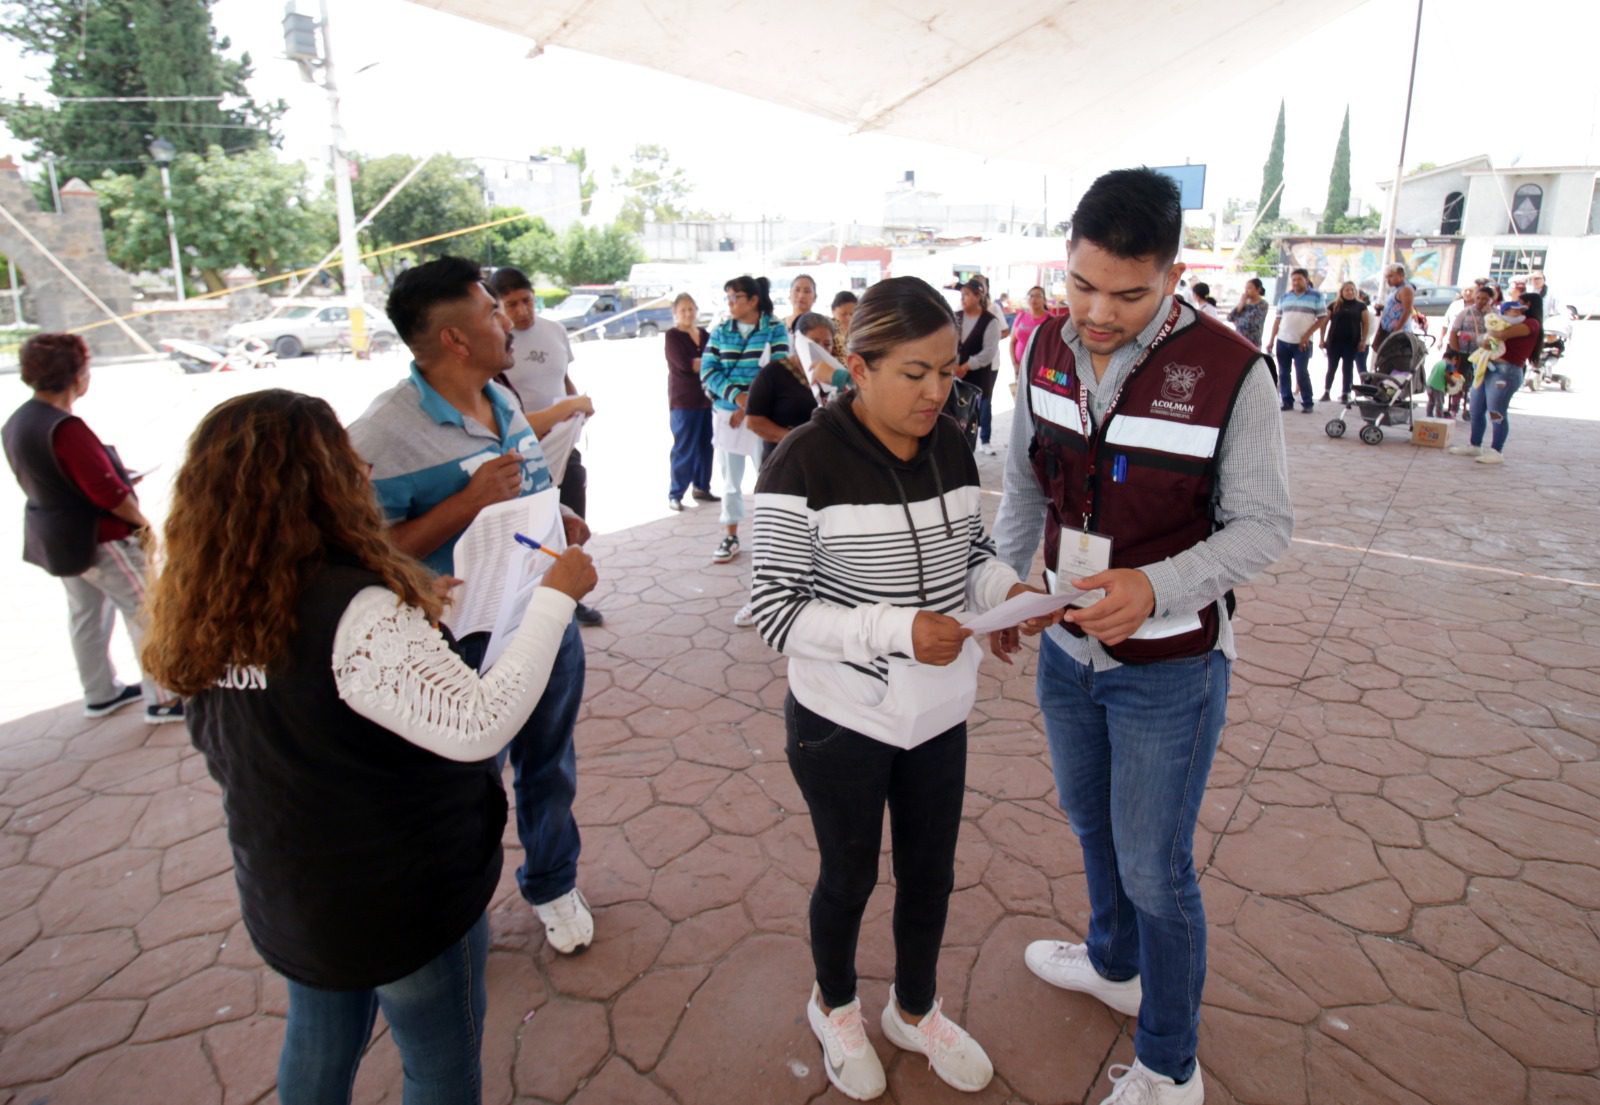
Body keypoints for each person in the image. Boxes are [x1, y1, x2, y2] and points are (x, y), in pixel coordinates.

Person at [142, 388, 597, 1105]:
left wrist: (420, 613)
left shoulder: (208, 605)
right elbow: (482, 721)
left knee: (321, 1035)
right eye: (344, 457)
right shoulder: (352, 608)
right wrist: (556, 595)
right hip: (396, 894)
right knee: (438, 1062)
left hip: (288, 886)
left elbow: (307, 701)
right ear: (318, 479)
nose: (361, 464)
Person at [992, 167, 1293, 1105]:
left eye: (1129, 293)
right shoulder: (1040, 345)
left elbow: (1264, 526)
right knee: (1090, 822)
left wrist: (1154, 585)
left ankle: (1170, 1061)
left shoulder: (1233, 371)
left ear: (1171, 274)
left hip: (1171, 666)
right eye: (1082, 284)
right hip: (1064, 652)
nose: (1098, 311)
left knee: (1157, 868)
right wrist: (1012, 581)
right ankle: (1111, 961)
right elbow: (1024, 485)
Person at [752, 276, 1032, 1100]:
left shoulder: (949, 442)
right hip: (841, 717)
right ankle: (834, 1002)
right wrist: (896, 628)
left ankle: (915, 1008)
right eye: (915, 372)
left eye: (948, 371)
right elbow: (773, 610)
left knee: (932, 871)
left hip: (939, 712)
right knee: (848, 874)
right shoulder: (799, 460)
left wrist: (1004, 590)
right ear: (858, 363)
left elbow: (970, 551)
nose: (937, 392)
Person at [347, 256, 596, 957]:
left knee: (550, 761)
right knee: (462, 783)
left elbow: (533, 488)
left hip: (541, 619)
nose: (508, 320)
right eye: (492, 311)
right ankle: (459, 900)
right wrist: (464, 503)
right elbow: (364, 554)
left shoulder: (505, 397)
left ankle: (552, 880)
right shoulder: (380, 437)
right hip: (455, 642)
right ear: (454, 338)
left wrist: (561, 523)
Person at [1, 333, 183, 725]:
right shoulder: (65, 428)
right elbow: (105, 491)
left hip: (56, 537)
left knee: (86, 615)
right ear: (77, 374)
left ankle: (100, 692)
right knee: (147, 610)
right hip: (97, 536)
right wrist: (141, 521)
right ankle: (165, 698)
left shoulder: (19, 421)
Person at [486, 266, 603, 627]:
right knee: (532, 530)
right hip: (522, 455)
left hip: (564, 448)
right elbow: (514, 422)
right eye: (511, 305)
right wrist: (568, 406)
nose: (521, 311)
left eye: (527, 301)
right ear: (497, 309)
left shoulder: (554, 331)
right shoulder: (496, 345)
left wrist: (576, 404)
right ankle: (535, 604)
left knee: (571, 522)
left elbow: (563, 377)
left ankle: (571, 597)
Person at [701, 274, 790, 565]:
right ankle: (730, 535)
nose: (730, 304)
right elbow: (709, 371)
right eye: (727, 298)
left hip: (762, 417)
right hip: (729, 417)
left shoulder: (775, 329)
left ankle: (773, 539)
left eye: (735, 298)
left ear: (753, 300)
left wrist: (750, 404)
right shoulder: (720, 331)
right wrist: (737, 398)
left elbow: (778, 370)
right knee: (730, 481)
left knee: (768, 476)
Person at [1448, 293, 1541, 465]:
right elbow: (1490, 341)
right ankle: (1475, 444)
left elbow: (1498, 334)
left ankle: (1496, 450)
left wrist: (1492, 318)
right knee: (1476, 408)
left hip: (1506, 371)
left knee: (1496, 411)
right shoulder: (1505, 321)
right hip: (1488, 367)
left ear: (1527, 306)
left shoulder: (1531, 324)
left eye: (1518, 305)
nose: (1514, 308)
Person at [664, 292, 716, 512]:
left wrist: (703, 362)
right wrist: (708, 362)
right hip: (684, 401)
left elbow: (717, 359)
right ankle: (676, 493)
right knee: (684, 447)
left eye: (691, 308)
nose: (688, 313)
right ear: (675, 312)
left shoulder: (704, 334)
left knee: (707, 446)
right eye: (683, 309)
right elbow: (685, 365)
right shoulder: (673, 336)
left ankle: (702, 487)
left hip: (707, 399)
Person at [955, 277, 1002, 455]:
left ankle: (977, 445)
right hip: (954, 376)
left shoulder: (990, 321)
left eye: (966, 294)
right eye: (962, 295)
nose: (963, 298)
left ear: (978, 296)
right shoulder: (956, 317)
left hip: (977, 377)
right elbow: (947, 343)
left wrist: (966, 366)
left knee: (975, 412)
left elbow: (989, 351)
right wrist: (952, 365)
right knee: (955, 413)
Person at [1268, 268, 1325, 412]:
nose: (1296, 282)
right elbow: (1277, 319)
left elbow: (1322, 318)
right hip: (1283, 340)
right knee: (1283, 372)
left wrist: (1307, 335)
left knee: (1301, 372)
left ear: (1306, 280)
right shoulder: (1285, 297)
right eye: (1293, 279)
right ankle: (1286, 400)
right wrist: (1271, 340)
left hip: (1302, 342)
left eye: (1299, 279)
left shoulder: (1316, 296)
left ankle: (1307, 402)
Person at [1447, 284, 1494, 421]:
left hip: (1484, 355)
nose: (1481, 301)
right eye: (1478, 298)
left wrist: (1490, 314)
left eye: (1485, 299)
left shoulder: (1494, 315)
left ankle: (1474, 409)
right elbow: (1453, 331)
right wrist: (1455, 351)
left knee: (1477, 383)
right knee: (1458, 381)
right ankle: (1453, 409)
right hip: (1464, 352)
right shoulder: (1465, 312)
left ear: (1490, 300)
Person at [1318, 281, 1370, 403]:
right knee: (1331, 367)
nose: (1349, 292)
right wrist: (1322, 339)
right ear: (1341, 292)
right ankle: (1326, 391)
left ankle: (1346, 393)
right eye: (1347, 290)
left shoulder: (1361, 306)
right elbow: (1324, 323)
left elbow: (1366, 324)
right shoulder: (1334, 305)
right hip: (1334, 342)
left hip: (1351, 342)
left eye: (1352, 289)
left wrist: (1363, 341)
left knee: (1348, 368)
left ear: (1355, 291)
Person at [1374, 262, 1416, 355]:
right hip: (1388, 331)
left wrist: (1397, 329)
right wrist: (1383, 308)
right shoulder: (1396, 289)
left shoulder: (1406, 289)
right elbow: (1397, 308)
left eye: (1391, 276)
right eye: (1386, 277)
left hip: (1398, 334)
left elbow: (1407, 310)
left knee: (1393, 360)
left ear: (1401, 275)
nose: (1388, 280)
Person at [1011, 285, 1052, 369]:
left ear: (1044, 300)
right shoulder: (1021, 316)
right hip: (1020, 366)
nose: (1034, 299)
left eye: (1038, 296)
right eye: (1031, 296)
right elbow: (1012, 342)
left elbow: (1054, 347)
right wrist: (1014, 363)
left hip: (1042, 367)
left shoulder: (1051, 320)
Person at [1227, 278, 1269, 352]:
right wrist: (1241, 304)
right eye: (1245, 288)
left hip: (1253, 343)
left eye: (1249, 288)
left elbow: (1250, 322)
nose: (1246, 291)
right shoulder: (1243, 303)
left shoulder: (1263, 304)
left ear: (1258, 289)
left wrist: (1237, 320)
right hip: (1239, 340)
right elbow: (1230, 318)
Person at [831, 290, 858, 358]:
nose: (848, 318)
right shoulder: (827, 331)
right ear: (833, 311)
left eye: (852, 314)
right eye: (843, 314)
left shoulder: (859, 331)